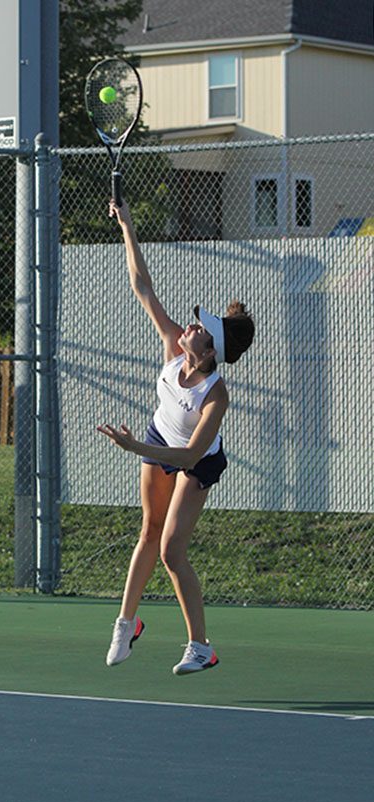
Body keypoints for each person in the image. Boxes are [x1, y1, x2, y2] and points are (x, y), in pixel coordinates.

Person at [98, 198, 254, 675]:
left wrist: (133, 448)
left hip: (195, 460)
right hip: (158, 436)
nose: (189, 327)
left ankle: (201, 646)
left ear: (209, 353)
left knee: (170, 550)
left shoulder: (215, 395)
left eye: (200, 331)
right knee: (147, 530)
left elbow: (188, 454)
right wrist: (127, 225)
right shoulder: (172, 347)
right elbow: (141, 285)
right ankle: (126, 623)